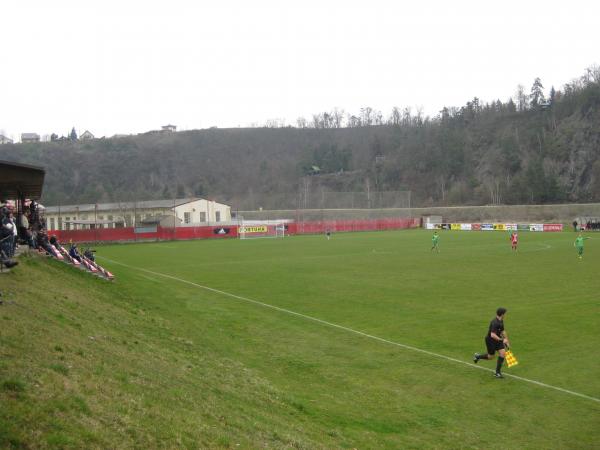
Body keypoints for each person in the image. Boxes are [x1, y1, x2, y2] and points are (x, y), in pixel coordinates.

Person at [473, 307, 510, 378]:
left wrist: (506, 340)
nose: (505, 315)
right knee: (491, 357)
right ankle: (477, 356)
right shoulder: (495, 322)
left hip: (498, 340)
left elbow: (502, 331)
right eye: (505, 314)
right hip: (490, 340)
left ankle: (497, 373)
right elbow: (492, 335)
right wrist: (502, 340)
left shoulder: (501, 320)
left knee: (502, 353)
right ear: (502, 314)